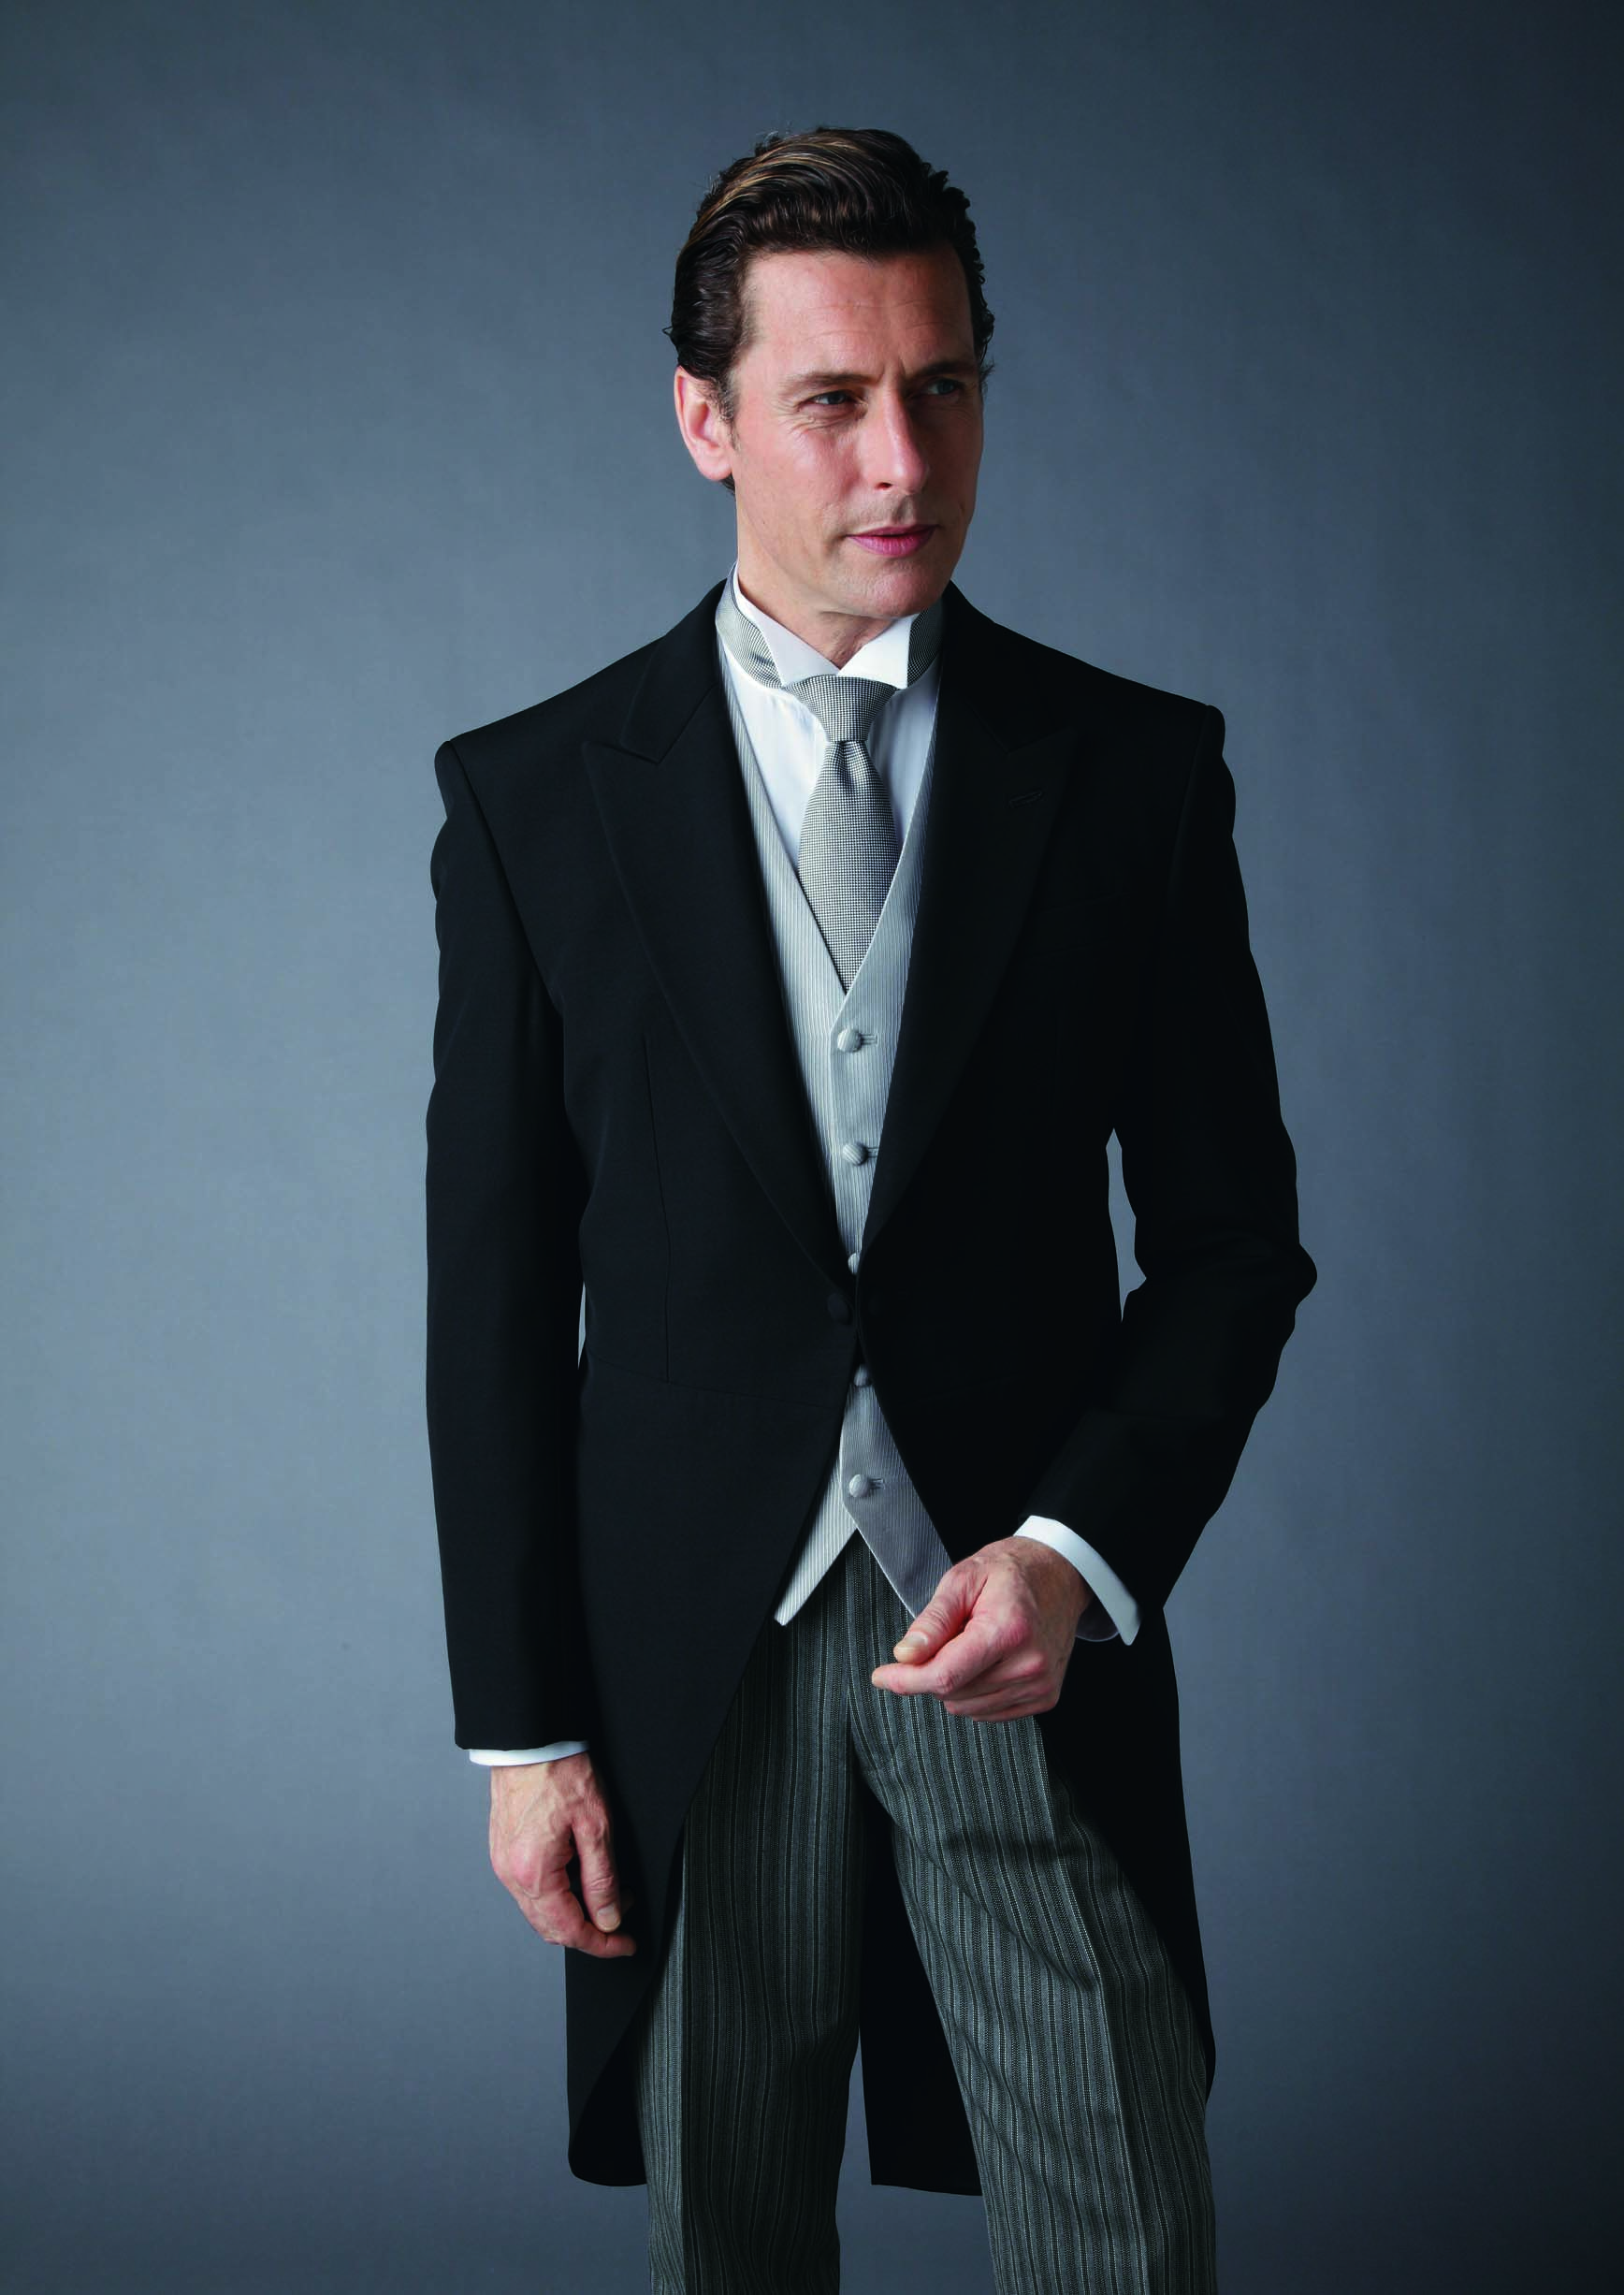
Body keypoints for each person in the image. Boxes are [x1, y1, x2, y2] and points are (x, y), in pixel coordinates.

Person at [424, 123, 1317, 2295]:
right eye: (831, 399)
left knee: (1122, 2231)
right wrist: (525, 1730)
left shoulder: (1131, 777)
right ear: (706, 420)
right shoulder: (534, 802)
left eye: (944, 386)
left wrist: (1075, 1550)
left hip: (1012, 1638)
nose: (902, 457)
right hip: (683, 1668)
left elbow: (1229, 1242)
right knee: (728, 2237)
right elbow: (492, 1300)